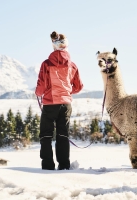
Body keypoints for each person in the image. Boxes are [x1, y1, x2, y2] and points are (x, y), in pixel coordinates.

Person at [35, 31, 83, 170]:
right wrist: (67, 92)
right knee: (63, 135)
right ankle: (64, 166)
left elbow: (41, 87)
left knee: (46, 135)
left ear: (54, 46)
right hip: (65, 105)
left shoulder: (46, 64)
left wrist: (38, 93)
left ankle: (48, 166)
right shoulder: (72, 65)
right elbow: (78, 86)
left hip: (50, 104)